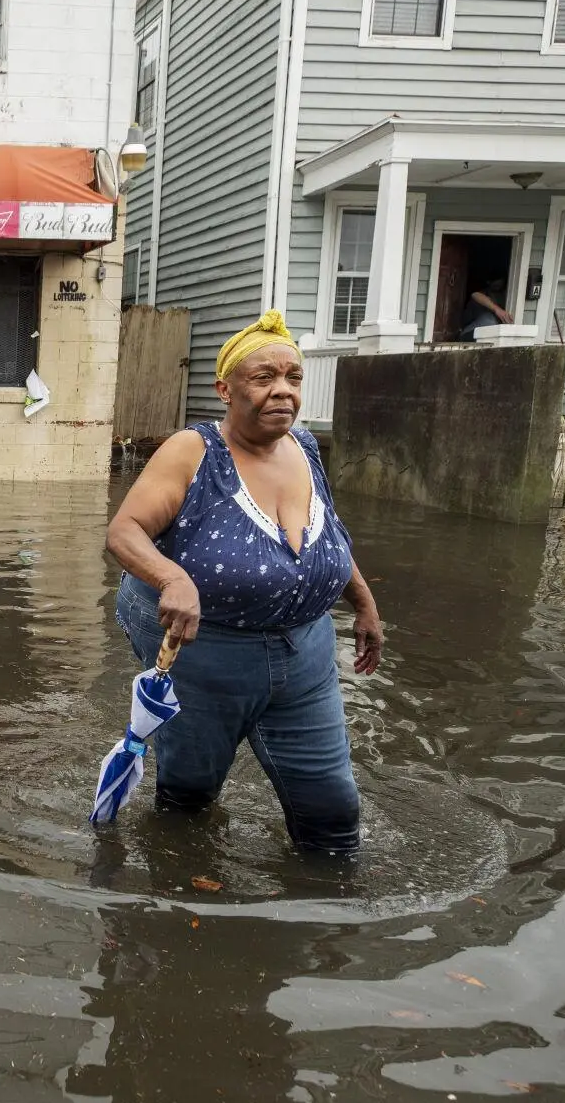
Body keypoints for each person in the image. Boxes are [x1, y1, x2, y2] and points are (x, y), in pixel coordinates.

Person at [104, 311, 382, 853]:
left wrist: (364, 603)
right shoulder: (194, 451)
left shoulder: (306, 449)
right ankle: (183, 901)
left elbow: (324, 540)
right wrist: (172, 576)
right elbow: (125, 530)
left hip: (305, 652)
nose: (283, 392)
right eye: (264, 379)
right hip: (206, 650)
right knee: (189, 798)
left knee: (332, 811)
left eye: (293, 378)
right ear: (225, 389)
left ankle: (324, 917)